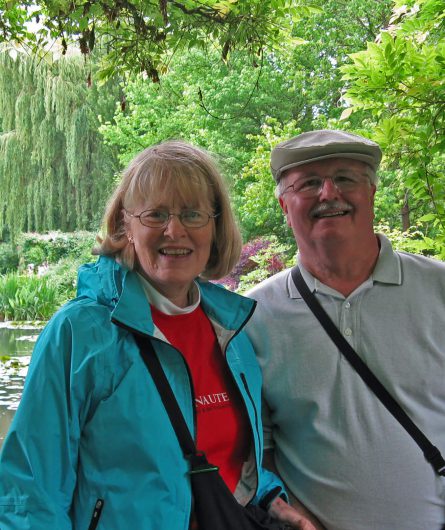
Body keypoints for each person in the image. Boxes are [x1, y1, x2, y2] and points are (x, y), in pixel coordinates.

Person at [0, 140, 309, 529]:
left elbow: (224, 458)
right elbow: (31, 492)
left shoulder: (232, 332)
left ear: (214, 226)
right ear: (124, 226)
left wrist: (271, 499)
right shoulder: (80, 334)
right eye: (155, 214)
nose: (174, 230)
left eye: (192, 214)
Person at [246, 130, 445, 530]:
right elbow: (257, 449)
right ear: (286, 206)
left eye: (346, 178)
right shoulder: (252, 317)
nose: (328, 193)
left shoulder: (439, 290)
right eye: (309, 184)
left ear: (371, 194)